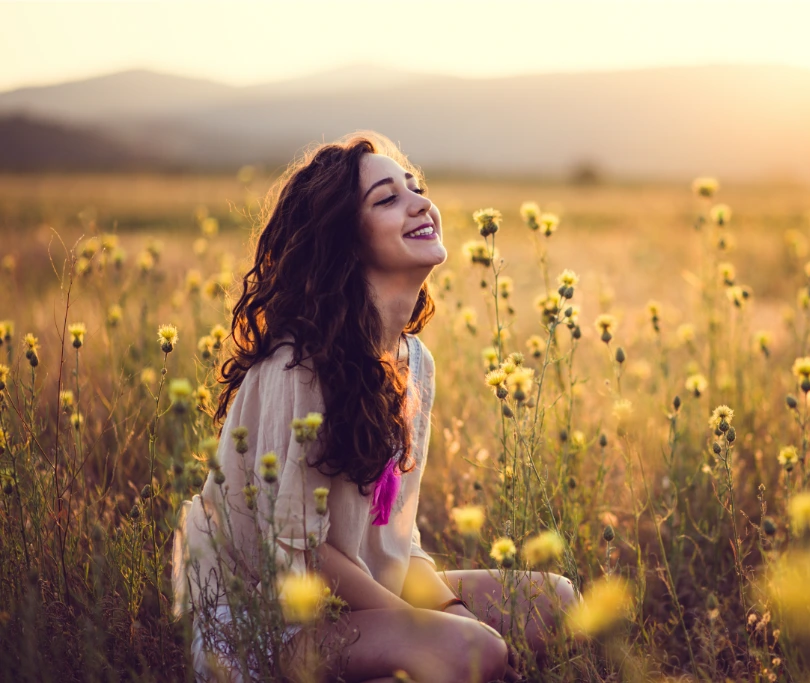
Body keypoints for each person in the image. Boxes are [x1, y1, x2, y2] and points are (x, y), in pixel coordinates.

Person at [172, 131, 578, 683]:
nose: (420, 203)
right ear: (346, 243)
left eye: (416, 188)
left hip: (362, 593)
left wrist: (451, 615)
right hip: (270, 624)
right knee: (465, 652)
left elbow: (393, 540)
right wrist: (438, 633)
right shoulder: (298, 365)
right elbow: (302, 558)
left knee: (554, 601)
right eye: (387, 199)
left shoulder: (414, 362)